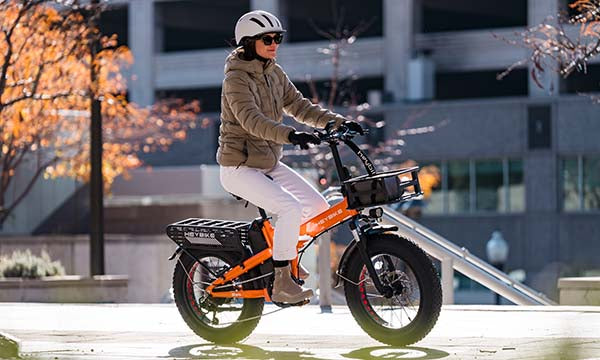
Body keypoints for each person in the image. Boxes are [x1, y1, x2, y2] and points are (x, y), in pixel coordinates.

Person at [217, 10, 363, 304]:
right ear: (248, 43)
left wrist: (337, 122)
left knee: (318, 208)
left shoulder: (274, 73)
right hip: (239, 167)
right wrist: (290, 135)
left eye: (278, 38)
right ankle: (282, 281)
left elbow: (300, 106)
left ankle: (284, 256)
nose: (274, 44)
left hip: (268, 163)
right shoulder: (235, 79)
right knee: (289, 208)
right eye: (267, 39)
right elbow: (251, 120)